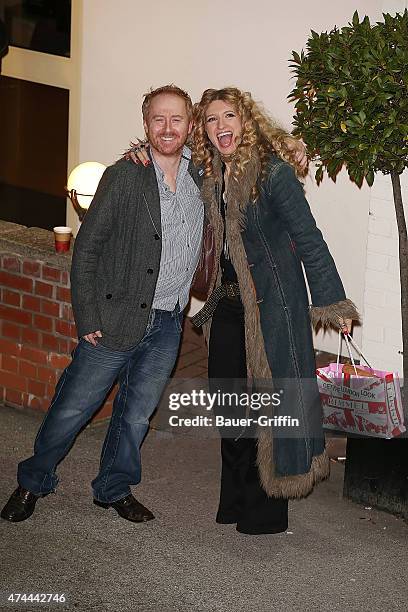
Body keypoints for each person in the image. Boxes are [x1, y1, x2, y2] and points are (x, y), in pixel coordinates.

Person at [1, 84, 205, 524]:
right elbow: (87, 249)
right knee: (73, 408)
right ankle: (32, 482)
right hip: (112, 319)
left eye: (176, 119)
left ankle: (113, 488)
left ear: (190, 124)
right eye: (158, 119)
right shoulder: (125, 175)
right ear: (146, 124)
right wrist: (87, 316)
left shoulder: (201, 178)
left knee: (135, 416)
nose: (167, 127)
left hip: (169, 323)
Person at [188, 87, 359, 535]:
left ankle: (265, 509)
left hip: (273, 305)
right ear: (203, 131)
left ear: (246, 121)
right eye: (210, 120)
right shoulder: (207, 173)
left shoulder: (274, 174)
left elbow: (309, 240)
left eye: (229, 116)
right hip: (227, 303)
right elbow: (167, 149)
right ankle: (236, 496)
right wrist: (140, 154)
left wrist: (332, 302)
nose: (221, 126)